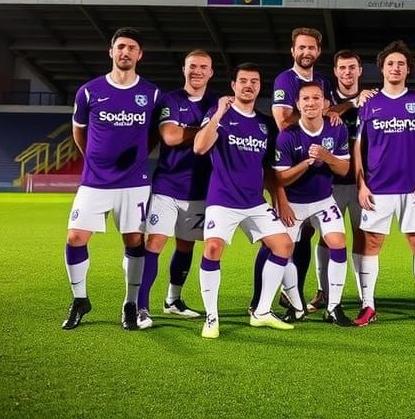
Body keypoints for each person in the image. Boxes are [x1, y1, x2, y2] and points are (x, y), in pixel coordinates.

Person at [62, 27, 159, 331]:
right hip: (95, 181)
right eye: (120, 47)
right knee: (75, 237)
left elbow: (157, 134)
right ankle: (80, 299)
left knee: (133, 241)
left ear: (139, 55)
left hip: (135, 183)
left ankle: (130, 304)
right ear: (111, 51)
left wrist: (141, 155)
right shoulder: (89, 91)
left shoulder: (152, 94)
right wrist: (91, 156)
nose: (125, 52)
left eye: (131, 48)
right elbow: (78, 129)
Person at [193, 63, 296, 339]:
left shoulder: (264, 124)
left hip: (253, 201)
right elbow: (200, 147)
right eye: (243, 81)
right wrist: (219, 113)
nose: (248, 85)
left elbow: (269, 169)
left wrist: (279, 199)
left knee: (284, 245)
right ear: (234, 86)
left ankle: (262, 312)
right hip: (222, 199)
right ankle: (212, 318)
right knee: (213, 248)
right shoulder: (219, 115)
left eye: (254, 81)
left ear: (259, 87)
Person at [250, 27, 342, 315]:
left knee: (304, 238)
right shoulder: (285, 79)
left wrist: (337, 110)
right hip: (287, 165)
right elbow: (283, 123)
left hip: (315, 181)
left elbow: (327, 112)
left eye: (311, 48)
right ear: (293, 51)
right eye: (301, 47)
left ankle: (294, 297)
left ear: (318, 51)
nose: (306, 52)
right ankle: (257, 299)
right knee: (277, 240)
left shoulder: (322, 82)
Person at [353, 40, 415, 327]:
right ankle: (368, 306)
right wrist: (361, 185)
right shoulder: (369, 104)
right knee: (371, 243)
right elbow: (358, 147)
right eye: (390, 63)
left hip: (413, 187)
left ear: (407, 70)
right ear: (382, 68)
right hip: (377, 187)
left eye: (401, 64)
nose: (395, 67)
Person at [135, 50, 218, 329]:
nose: (197, 71)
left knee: (186, 245)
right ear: (184, 69)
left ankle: (173, 300)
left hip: (200, 188)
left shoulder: (215, 103)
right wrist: (207, 130)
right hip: (167, 186)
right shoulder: (170, 99)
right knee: (155, 243)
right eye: (192, 66)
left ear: (211, 72)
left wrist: (193, 129)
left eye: (203, 67)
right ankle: (141, 306)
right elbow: (170, 136)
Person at [273, 81, 354, 326]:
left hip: (323, 200)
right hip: (294, 203)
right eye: (306, 99)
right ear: (298, 104)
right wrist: (306, 163)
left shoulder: (335, 129)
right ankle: (296, 305)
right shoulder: (287, 135)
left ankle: (333, 307)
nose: (311, 103)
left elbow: (344, 169)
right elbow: (280, 177)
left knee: (338, 244)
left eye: (316, 98)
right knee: (284, 251)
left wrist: (326, 157)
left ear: (325, 104)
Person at [308, 50, 376, 313]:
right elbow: (322, 114)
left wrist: (361, 101)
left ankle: (365, 297)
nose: (347, 73)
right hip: (330, 183)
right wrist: (351, 103)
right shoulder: (327, 100)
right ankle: (323, 292)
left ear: (360, 71)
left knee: (362, 237)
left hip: (362, 182)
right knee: (327, 237)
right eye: (342, 68)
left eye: (352, 68)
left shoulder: (373, 98)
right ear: (335, 72)